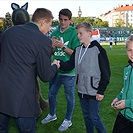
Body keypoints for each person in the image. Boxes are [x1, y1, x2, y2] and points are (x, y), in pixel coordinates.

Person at [0, 8, 60, 133]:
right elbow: (45, 75)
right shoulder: (43, 40)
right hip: (22, 99)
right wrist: (55, 65)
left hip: (2, 93)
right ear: (43, 22)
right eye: (49, 25)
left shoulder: (7, 32)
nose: (49, 30)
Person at [58, 22, 111, 133]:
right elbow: (69, 65)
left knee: (94, 117)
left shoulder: (98, 50)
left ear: (89, 33)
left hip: (94, 90)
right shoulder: (77, 50)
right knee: (87, 117)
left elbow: (106, 73)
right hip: (82, 90)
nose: (78, 36)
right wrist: (59, 63)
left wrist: (101, 91)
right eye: (77, 33)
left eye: (80, 33)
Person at [41, 8, 80, 132]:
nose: (62, 22)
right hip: (55, 69)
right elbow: (52, 52)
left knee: (69, 97)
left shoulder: (74, 33)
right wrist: (52, 47)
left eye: (65, 20)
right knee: (51, 94)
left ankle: (68, 120)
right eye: (60, 19)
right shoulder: (55, 31)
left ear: (70, 20)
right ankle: (52, 114)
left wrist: (62, 46)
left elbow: (75, 53)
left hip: (69, 72)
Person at [111, 35, 133, 133]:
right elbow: (125, 88)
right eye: (129, 50)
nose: (132, 53)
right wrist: (118, 97)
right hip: (123, 116)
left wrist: (127, 103)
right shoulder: (127, 68)